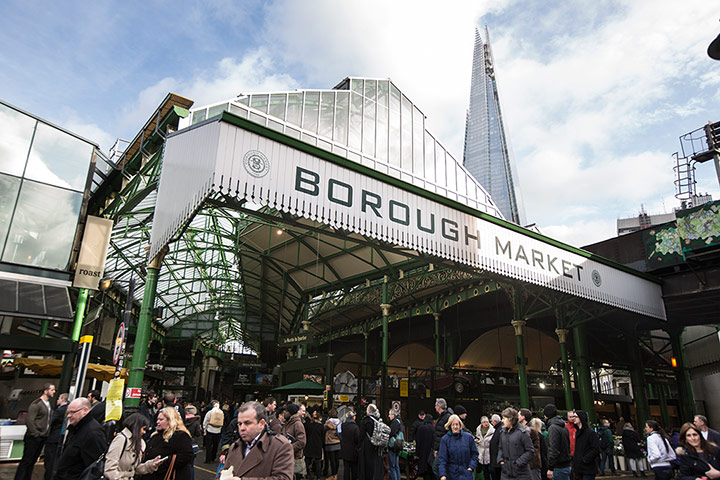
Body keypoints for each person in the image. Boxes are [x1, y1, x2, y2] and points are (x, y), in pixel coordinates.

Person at [222, 401, 294, 480]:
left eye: (247, 423)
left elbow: (283, 478)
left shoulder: (280, 446)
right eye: (240, 424)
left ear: (261, 424)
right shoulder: (235, 446)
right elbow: (223, 473)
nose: (242, 428)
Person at [54, 397, 108, 480]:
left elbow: (96, 467)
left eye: (73, 412)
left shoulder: (92, 432)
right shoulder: (76, 428)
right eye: (68, 412)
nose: (69, 416)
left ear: (85, 411)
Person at [138, 406, 194, 480]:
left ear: (170, 420)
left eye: (161, 419)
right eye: (157, 419)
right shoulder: (156, 435)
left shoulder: (181, 435)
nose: (157, 422)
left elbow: (186, 455)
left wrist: (163, 463)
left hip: (167, 475)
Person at [14, 382, 55, 480]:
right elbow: (30, 420)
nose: (54, 392)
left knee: (32, 461)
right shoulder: (36, 404)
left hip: (42, 436)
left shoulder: (48, 404)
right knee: (27, 460)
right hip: (33, 437)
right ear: (46, 391)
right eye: (52, 390)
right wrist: (35, 434)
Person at [105, 413, 165, 479]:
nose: (144, 432)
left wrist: (151, 465)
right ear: (137, 427)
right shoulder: (121, 439)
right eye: (143, 429)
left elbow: (134, 469)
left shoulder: (139, 442)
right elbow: (109, 469)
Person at [497, 408, 534, 480]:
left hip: (521, 474)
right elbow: (500, 448)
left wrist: (518, 463)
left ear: (510, 419)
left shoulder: (523, 433)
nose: (502, 420)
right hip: (505, 473)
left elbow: (530, 451)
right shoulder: (502, 432)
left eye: (504, 418)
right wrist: (500, 460)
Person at [438, 414, 478, 480]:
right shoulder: (445, 440)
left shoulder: (468, 438)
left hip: (467, 474)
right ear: (450, 426)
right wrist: (443, 475)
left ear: (460, 425)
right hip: (452, 475)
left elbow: (475, 454)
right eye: (453, 425)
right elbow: (442, 459)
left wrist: (470, 468)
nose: (455, 427)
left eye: (457, 424)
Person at [543, 404, 571, 480]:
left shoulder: (553, 428)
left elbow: (553, 449)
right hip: (566, 464)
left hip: (558, 466)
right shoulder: (563, 426)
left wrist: (550, 467)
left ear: (546, 415)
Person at [44, 391, 68, 480]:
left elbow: (50, 422)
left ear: (62, 399)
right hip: (59, 438)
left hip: (54, 438)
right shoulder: (66, 409)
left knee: (50, 461)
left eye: (58, 398)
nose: (57, 400)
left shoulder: (60, 410)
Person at [570, 410, 600, 480]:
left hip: (588, 468)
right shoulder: (577, 432)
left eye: (575, 416)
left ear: (581, 418)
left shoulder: (590, 433)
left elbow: (596, 449)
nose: (573, 418)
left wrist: (585, 459)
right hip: (578, 468)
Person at [358, 404, 384, 480]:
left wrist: (359, 445)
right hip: (377, 444)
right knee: (375, 463)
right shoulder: (379, 420)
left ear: (369, 411)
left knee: (367, 464)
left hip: (367, 445)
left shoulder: (366, 421)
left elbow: (361, 435)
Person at [282, 403, 307, 479]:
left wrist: (288, 448)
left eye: (286, 411)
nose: (284, 413)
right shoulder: (288, 423)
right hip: (288, 458)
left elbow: (302, 442)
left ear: (290, 412)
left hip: (295, 459)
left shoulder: (297, 424)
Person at [433, 398, 453, 477]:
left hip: (444, 448)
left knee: (436, 467)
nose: (435, 407)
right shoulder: (442, 417)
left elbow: (441, 434)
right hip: (441, 448)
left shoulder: (446, 417)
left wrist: (438, 448)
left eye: (435, 405)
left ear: (438, 406)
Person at [519, 409, 541, 480]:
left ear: (523, 417)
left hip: (531, 465)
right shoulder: (519, 430)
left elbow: (534, 449)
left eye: (518, 415)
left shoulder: (530, 431)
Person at [340, 409, 361, 480]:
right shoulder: (355, 427)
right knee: (354, 468)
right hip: (353, 451)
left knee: (346, 468)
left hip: (345, 450)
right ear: (353, 417)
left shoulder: (343, 426)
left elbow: (340, 435)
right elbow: (357, 439)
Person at [304, 410, 324, 479]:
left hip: (309, 445)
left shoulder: (308, 426)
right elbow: (323, 437)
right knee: (318, 461)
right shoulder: (321, 426)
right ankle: (318, 476)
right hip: (318, 445)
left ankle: (308, 474)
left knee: (307, 460)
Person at [416, 412, 436, 480]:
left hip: (423, 453)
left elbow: (418, 442)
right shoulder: (434, 429)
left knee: (425, 473)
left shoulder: (421, 428)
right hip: (431, 454)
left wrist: (417, 453)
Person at [476, 416, 495, 480]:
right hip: (481, 453)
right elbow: (477, 439)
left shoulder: (493, 430)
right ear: (481, 423)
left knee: (492, 471)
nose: (485, 423)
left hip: (490, 453)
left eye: (487, 422)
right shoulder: (478, 430)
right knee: (485, 472)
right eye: (484, 422)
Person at [325, 408, 342, 480]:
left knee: (332, 460)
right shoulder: (339, 423)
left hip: (330, 443)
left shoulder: (327, 423)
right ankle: (336, 474)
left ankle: (333, 475)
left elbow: (324, 428)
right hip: (338, 442)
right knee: (336, 459)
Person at [387, 409, 403, 480]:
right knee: (396, 466)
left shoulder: (394, 422)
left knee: (392, 466)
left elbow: (392, 433)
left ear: (393, 415)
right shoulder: (400, 421)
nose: (388, 416)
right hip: (398, 446)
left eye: (389, 414)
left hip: (393, 446)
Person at [490, 414, 504, 480]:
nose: (491, 423)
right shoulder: (498, 429)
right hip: (497, 460)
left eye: (491, 421)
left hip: (498, 461)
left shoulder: (500, 429)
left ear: (495, 421)